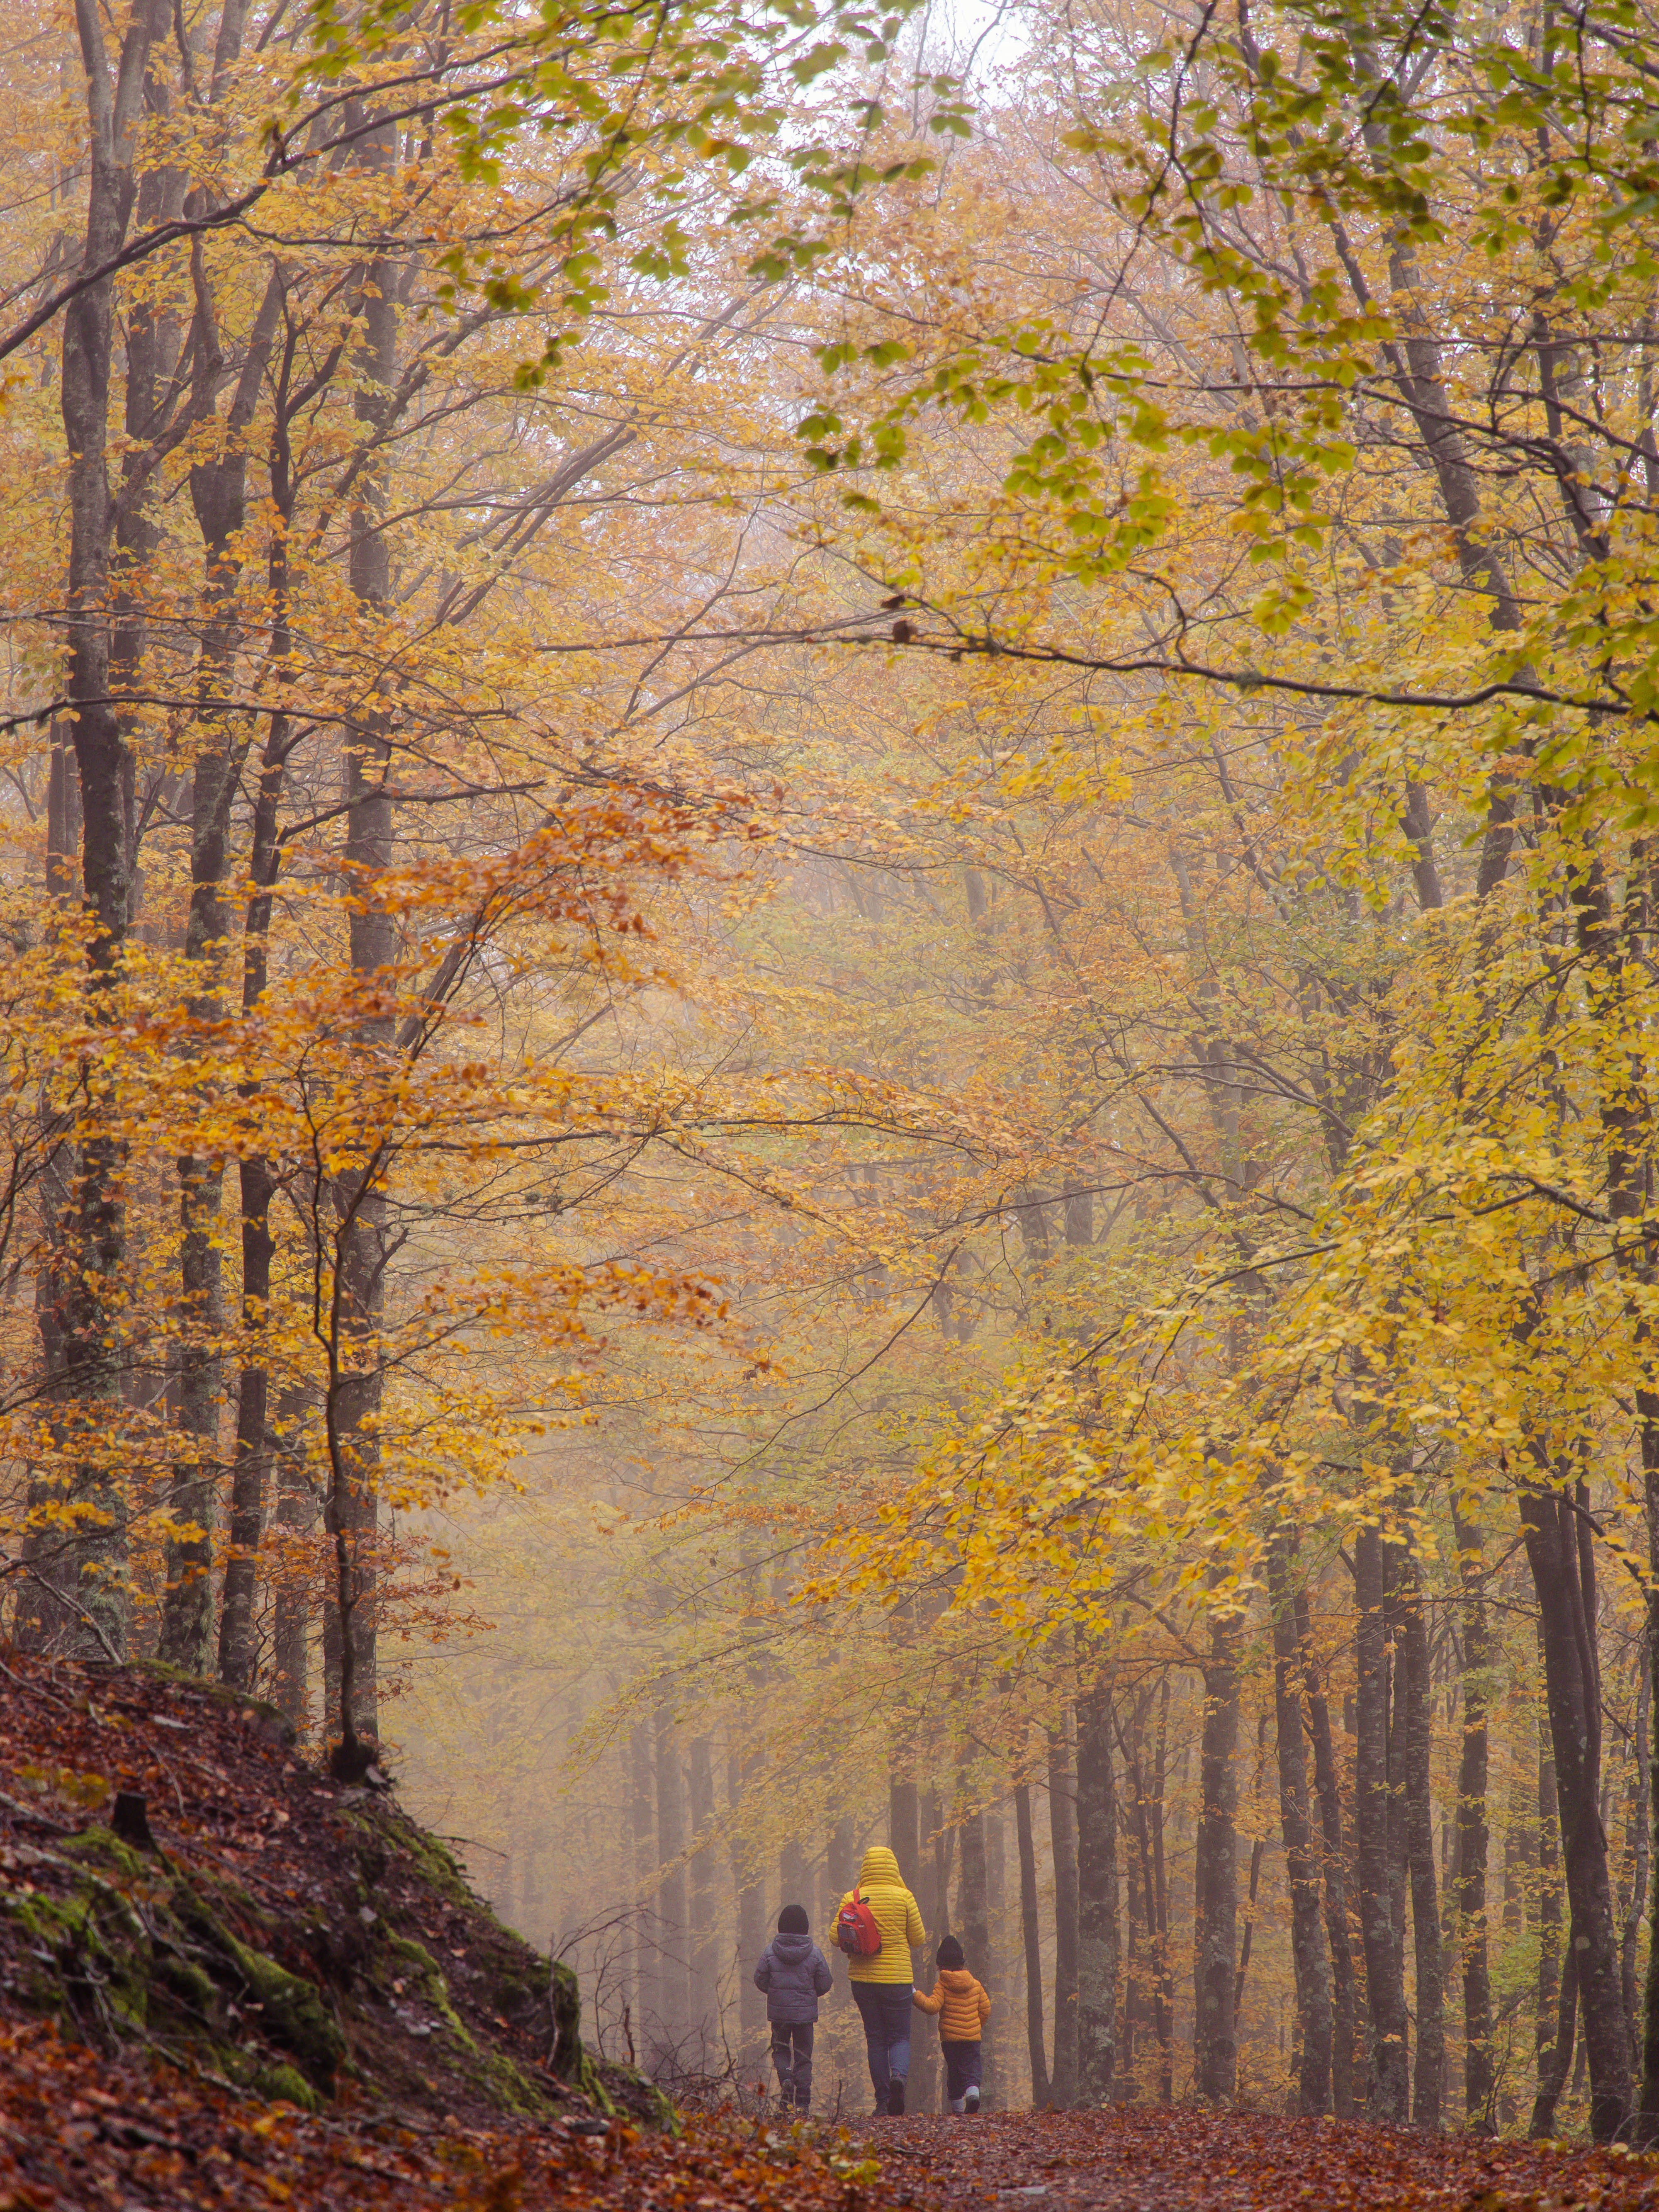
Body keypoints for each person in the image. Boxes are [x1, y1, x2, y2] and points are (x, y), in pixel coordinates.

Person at [835, 1843, 925, 2115]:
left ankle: (883, 2102)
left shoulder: (852, 1897)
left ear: (865, 1868)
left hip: (863, 1980)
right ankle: (899, 2076)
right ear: (893, 1868)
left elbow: (833, 1935)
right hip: (897, 1979)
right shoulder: (904, 1897)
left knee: (875, 2039)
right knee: (899, 2038)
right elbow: (918, 1940)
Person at [753, 1902, 832, 2113]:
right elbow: (825, 1984)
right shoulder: (814, 1954)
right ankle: (804, 2104)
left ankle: (786, 2078)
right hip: (805, 2016)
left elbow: (759, 1979)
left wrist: (775, 1992)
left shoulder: (770, 1952)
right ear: (805, 1927)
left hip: (779, 2014)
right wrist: (810, 1994)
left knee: (780, 2050)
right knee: (804, 2056)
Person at [913, 1934, 992, 2113]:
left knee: (955, 2071)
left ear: (940, 1964)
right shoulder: (976, 1985)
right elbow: (986, 2010)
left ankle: (957, 2110)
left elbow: (932, 2007)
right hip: (972, 2038)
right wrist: (975, 2027)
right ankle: (973, 2094)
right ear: (962, 1962)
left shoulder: (942, 1985)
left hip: (951, 2040)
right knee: (972, 2067)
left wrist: (914, 1994)